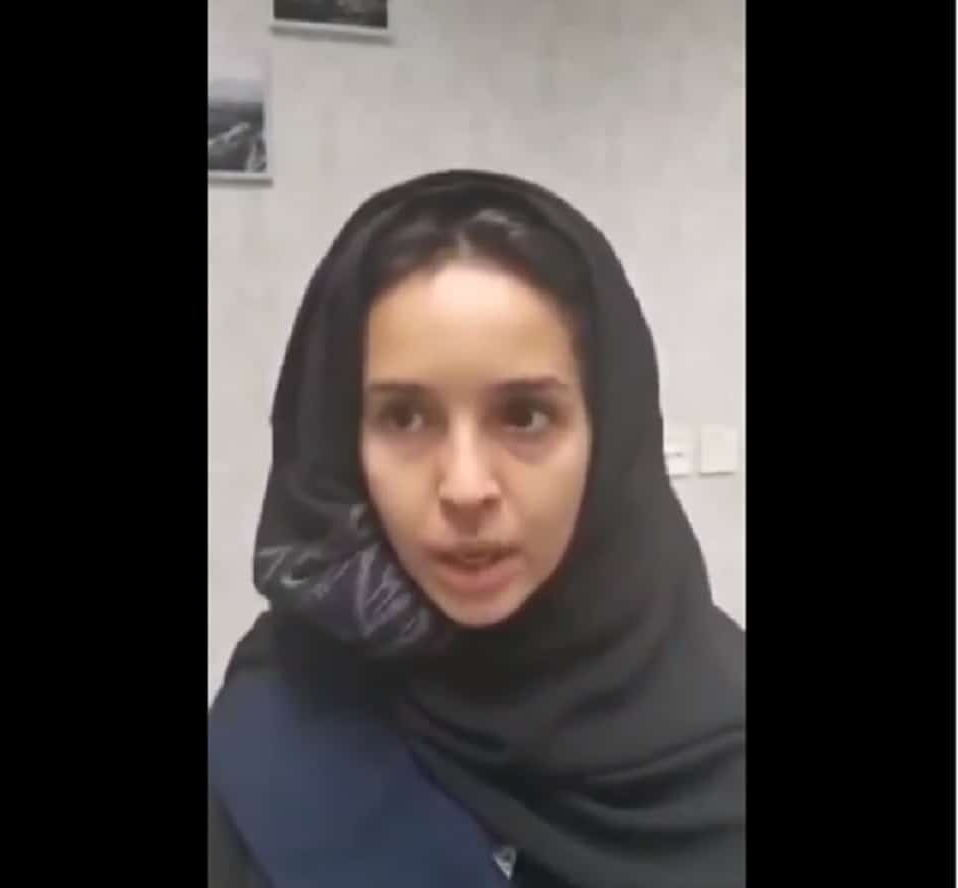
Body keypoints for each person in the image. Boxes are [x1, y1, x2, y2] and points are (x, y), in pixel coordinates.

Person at [207, 169, 746, 887]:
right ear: (341, 440)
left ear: (609, 438)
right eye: (404, 417)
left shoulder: (726, 736)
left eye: (524, 415)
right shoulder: (277, 727)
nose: (465, 488)